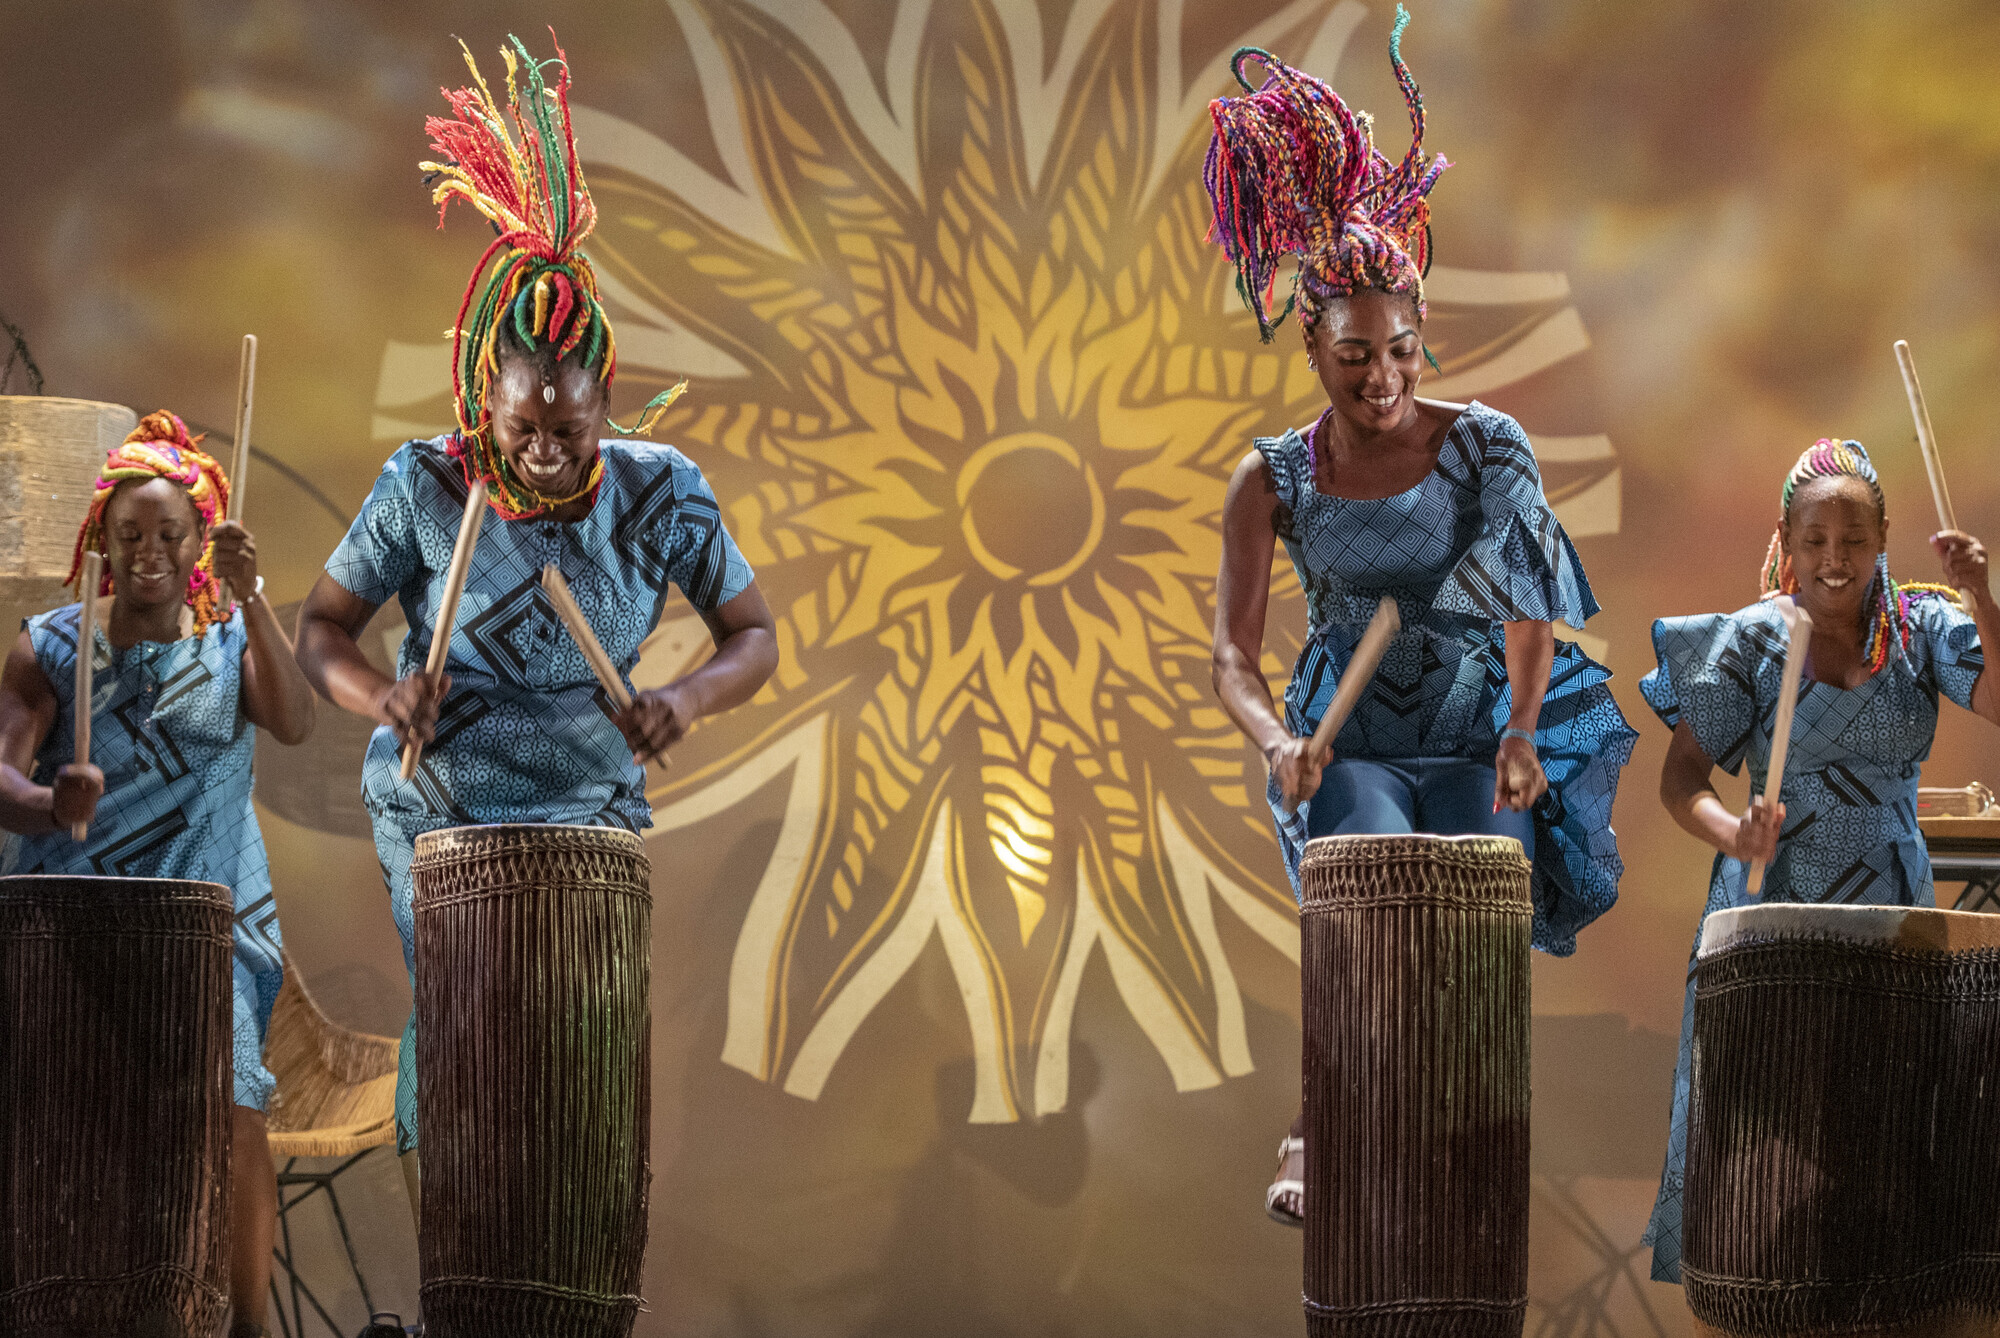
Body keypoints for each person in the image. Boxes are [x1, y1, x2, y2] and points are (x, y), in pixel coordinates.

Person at [293, 33, 778, 1222]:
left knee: (579, 1049)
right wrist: (383, 698)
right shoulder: (425, 485)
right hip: (441, 800)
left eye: (572, 426)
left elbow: (753, 634)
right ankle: (461, 1265)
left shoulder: (663, 490)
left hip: (592, 805)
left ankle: (560, 1273)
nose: (549, 450)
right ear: (484, 402)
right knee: (462, 1038)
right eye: (524, 429)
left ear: (606, 398)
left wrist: (683, 699)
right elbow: (320, 630)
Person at [1203, 9, 1635, 1227]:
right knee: (1365, 883)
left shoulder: (1482, 444)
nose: (1380, 377)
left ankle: (1455, 1148)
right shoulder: (1271, 477)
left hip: (1475, 722)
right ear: (1312, 344)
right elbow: (1230, 657)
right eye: (1353, 356)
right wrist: (1275, 742)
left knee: (1470, 918)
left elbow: (1528, 599)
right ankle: (1318, 1119)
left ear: (1417, 334)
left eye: (1398, 350)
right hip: (1348, 735)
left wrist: (1521, 727)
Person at [1639, 437, 1996, 1281]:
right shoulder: (1755, 641)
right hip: (1775, 905)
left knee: (1886, 1137)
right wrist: (1731, 831)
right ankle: (1773, 1302)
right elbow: (1681, 776)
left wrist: (1981, 593)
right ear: (1785, 541)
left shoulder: (1921, 626)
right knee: (1778, 1140)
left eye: (1854, 541)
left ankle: (1883, 1306)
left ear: (1883, 540)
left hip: (1891, 905)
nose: (1834, 561)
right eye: (1815, 542)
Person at [0, 413, 317, 1338]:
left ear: (198, 544)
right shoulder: (54, 646)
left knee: (232, 1102)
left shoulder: (229, 650)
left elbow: (294, 722)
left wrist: (253, 597)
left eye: (169, 534)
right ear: (99, 539)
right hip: (73, 919)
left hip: (203, 927)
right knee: (47, 1098)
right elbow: (2, 779)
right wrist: (53, 804)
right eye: (129, 534)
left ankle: (249, 1328)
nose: (148, 553)